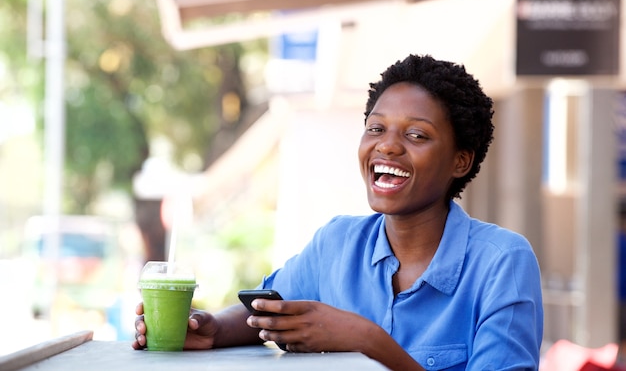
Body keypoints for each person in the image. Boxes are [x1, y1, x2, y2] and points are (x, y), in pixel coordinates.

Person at [133, 54, 544, 370]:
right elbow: (266, 310)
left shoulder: (501, 262)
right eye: (376, 128)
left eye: (416, 135)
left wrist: (368, 341)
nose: (387, 146)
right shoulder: (337, 243)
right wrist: (208, 329)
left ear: (461, 161)